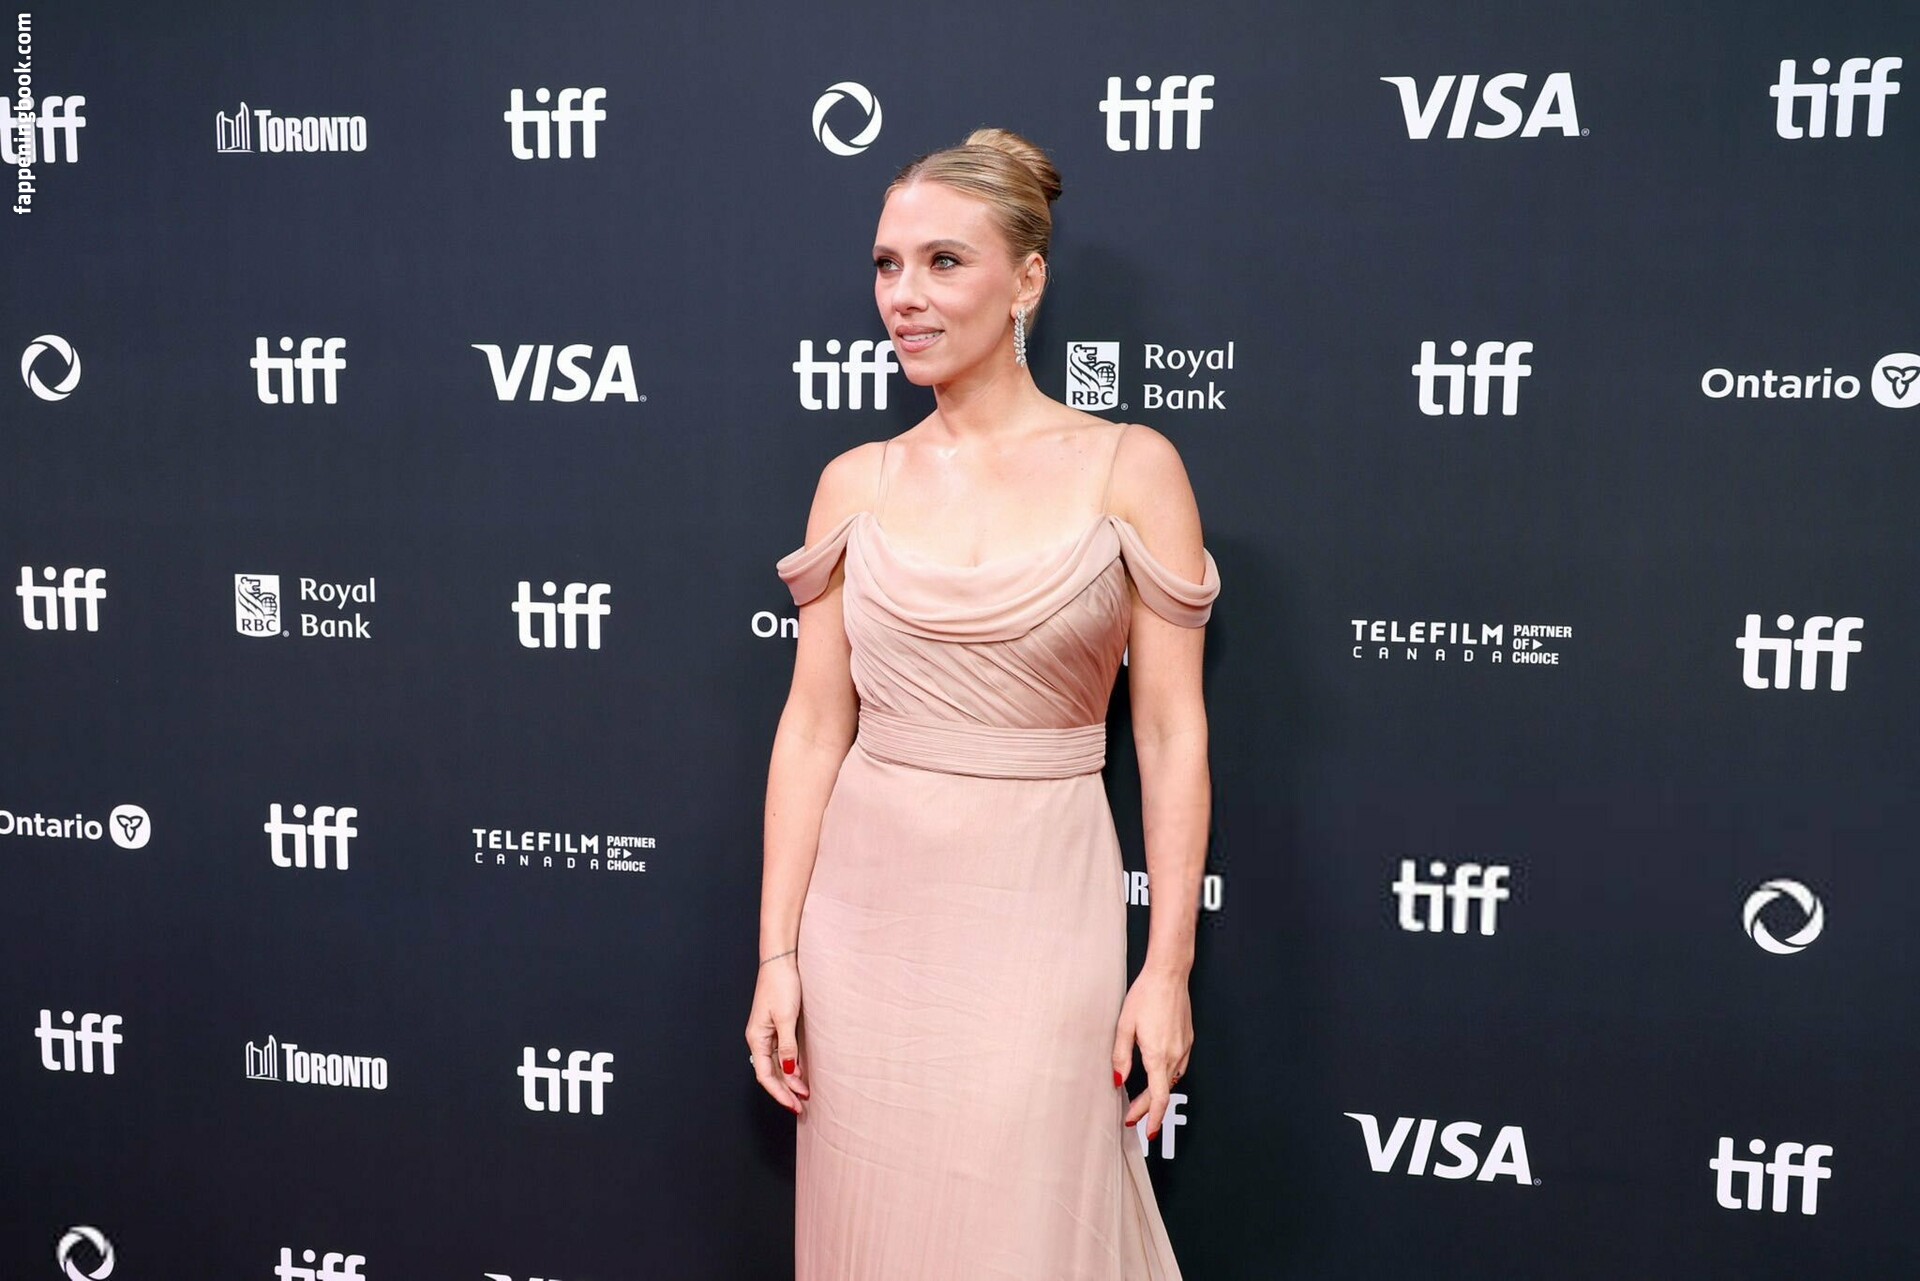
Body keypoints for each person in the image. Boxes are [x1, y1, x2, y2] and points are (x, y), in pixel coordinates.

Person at [746, 126, 1219, 1280]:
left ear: (1028, 280)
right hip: (864, 932)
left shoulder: (1131, 469)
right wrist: (777, 955)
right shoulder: (854, 483)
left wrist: (1165, 972)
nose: (903, 296)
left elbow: (1169, 734)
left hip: (1039, 912)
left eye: (943, 262)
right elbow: (814, 728)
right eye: (886, 264)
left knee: (1025, 1230)